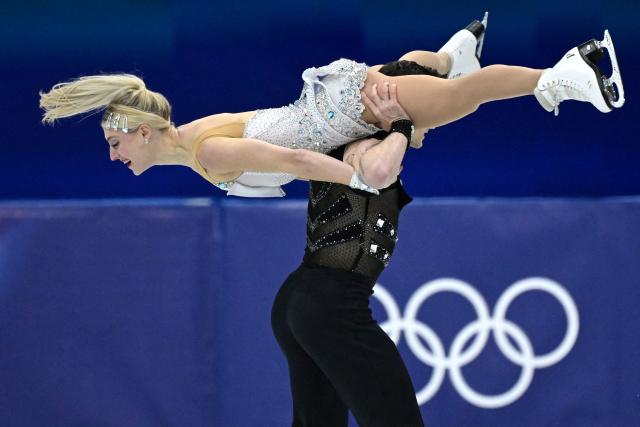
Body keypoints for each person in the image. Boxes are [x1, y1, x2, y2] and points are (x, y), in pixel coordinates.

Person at [38, 14, 624, 198]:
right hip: (334, 107)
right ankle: (450, 55)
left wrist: (359, 183)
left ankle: (569, 70)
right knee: (423, 73)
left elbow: (293, 161)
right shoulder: (193, 134)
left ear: (141, 132)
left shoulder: (207, 151)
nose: (115, 156)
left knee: (458, 102)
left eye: (115, 143)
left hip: (350, 111)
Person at [271, 56, 439, 426]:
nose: (435, 122)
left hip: (307, 301)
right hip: (330, 306)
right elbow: (378, 173)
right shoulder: (363, 142)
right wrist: (402, 126)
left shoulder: (356, 139)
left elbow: (411, 66)